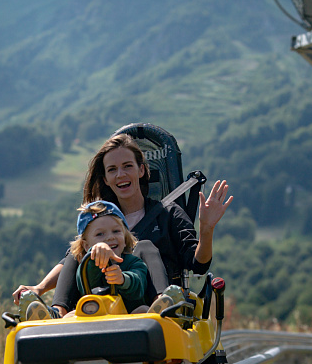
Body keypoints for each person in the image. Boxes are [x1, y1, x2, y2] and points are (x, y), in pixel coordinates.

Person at [14, 133, 232, 315]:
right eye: (112, 170)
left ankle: (163, 305)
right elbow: (70, 260)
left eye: (127, 166)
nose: (121, 175)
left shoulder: (168, 214)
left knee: (145, 245)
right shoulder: (98, 220)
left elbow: (199, 264)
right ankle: (56, 314)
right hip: (99, 303)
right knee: (78, 250)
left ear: (142, 170)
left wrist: (206, 230)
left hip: (143, 304)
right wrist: (39, 288)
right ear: (106, 179)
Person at [24, 201, 147, 320]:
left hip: (127, 316)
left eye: (116, 231)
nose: (110, 237)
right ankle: (48, 319)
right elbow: (88, 280)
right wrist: (95, 254)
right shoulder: (85, 267)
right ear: (86, 245)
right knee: (70, 316)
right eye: (100, 234)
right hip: (93, 315)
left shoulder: (134, 262)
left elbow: (139, 284)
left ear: (125, 238)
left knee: (143, 309)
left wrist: (123, 279)